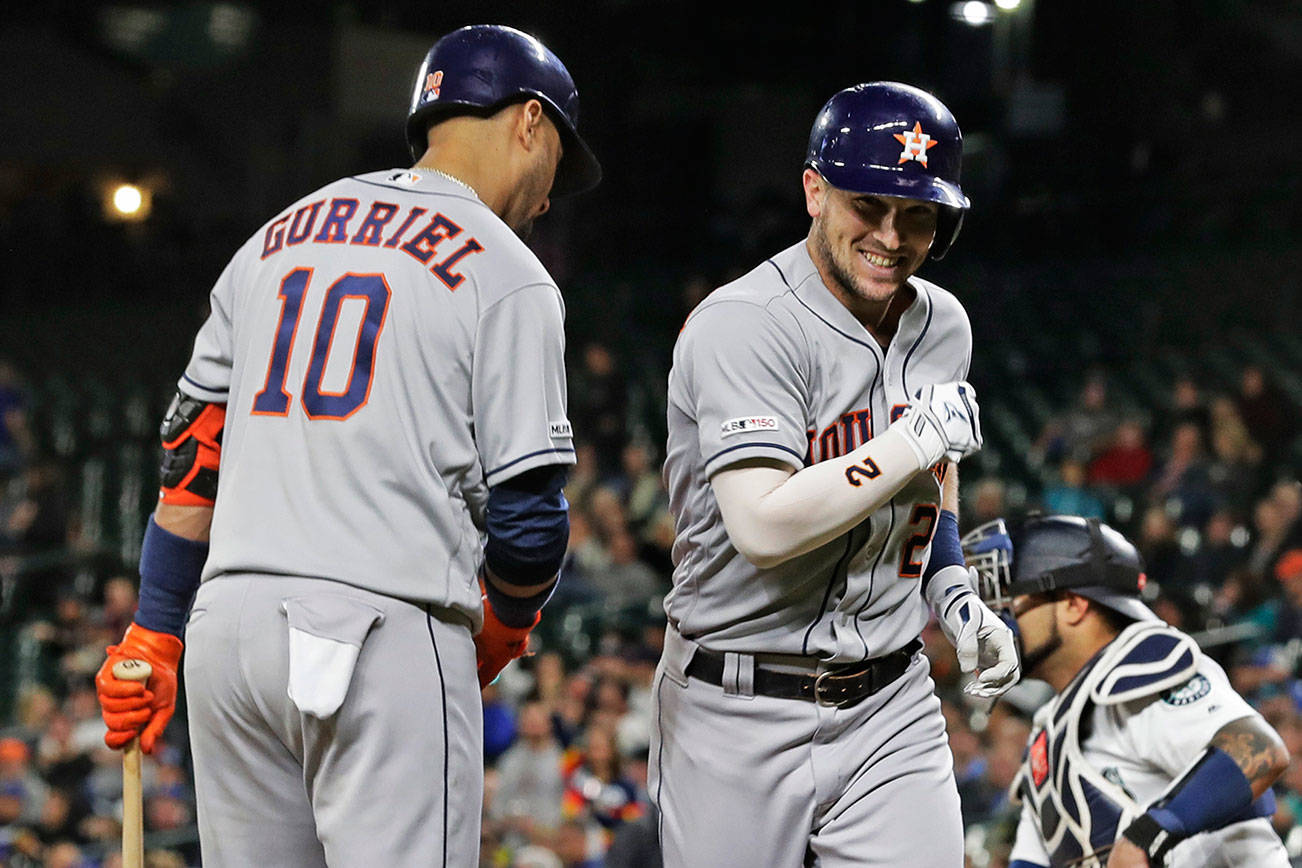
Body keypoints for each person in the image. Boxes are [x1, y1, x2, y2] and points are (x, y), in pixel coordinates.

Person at [93, 24, 600, 867]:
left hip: (229, 639)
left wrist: (154, 630)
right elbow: (530, 519)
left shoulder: (272, 237)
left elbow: (192, 459)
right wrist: (507, 626)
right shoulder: (509, 270)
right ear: (530, 123)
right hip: (381, 632)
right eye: (557, 165)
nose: (549, 198)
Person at [650, 82, 1020, 866]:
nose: (892, 235)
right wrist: (911, 438)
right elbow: (762, 524)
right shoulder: (745, 324)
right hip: (735, 703)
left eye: (918, 213)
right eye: (870, 205)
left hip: (891, 699)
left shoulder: (943, 324)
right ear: (814, 191)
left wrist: (954, 597)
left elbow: (933, 483)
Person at [962, 514, 1291, 867]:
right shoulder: (1048, 732)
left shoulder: (1141, 666)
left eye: (1008, 601)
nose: (993, 620)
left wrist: (1147, 837)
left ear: (1074, 604)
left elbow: (1259, 751)